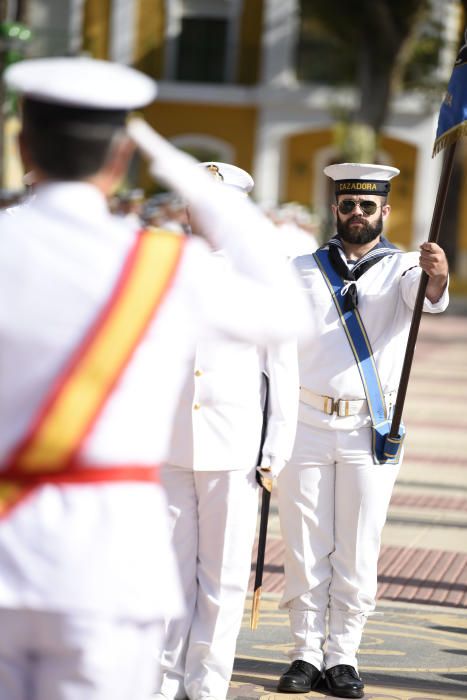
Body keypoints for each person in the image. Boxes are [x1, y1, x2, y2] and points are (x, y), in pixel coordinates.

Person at [0, 56, 310, 700]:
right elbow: (289, 312)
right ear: (121, 159)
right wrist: (183, 176)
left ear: (24, 147)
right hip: (109, 565)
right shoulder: (160, 268)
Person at [276, 163, 449, 699]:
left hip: (368, 427)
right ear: (335, 209)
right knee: (305, 545)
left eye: (367, 206)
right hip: (303, 421)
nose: (357, 214)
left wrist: (439, 273)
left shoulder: (402, 268)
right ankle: (305, 652)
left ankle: (343, 654)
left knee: (357, 547)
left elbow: (426, 296)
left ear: (385, 212)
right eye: (348, 204)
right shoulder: (299, 268)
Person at [155, 162, 299, 700]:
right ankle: (161, 680)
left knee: (222, 576)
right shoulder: (162, 267)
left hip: (234, 445)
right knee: (168, 574)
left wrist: (275, 449)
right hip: (167, 444)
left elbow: (282, 369)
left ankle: (207, 683)